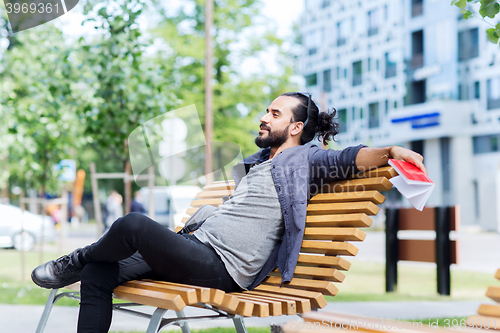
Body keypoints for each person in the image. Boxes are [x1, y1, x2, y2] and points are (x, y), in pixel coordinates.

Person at [31, 92, 427, 333]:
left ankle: (74, 260)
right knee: (99, 273)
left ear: (295, 128)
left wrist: (391, 151)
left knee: (132, 224)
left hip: (224, 267)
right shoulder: (257, 163)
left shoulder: (308, 161)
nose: (264, 116)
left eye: (274, 113)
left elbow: (349, 157)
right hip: (194, 248)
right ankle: (84, 264)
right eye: (266, 111)